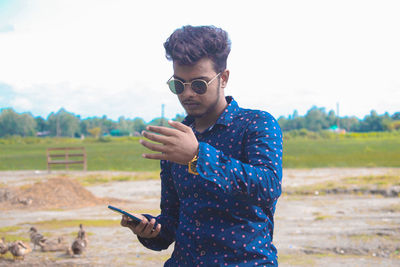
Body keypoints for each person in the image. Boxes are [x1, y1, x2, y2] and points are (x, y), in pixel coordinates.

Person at [120, 25, 283, 266]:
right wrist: (148, 230)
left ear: (223, 78)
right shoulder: (178, 139)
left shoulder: (256, 124)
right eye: (178, 84)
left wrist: (198, 157)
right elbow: (172, 224)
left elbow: (268, 187)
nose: (187, 94)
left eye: (199, 85)